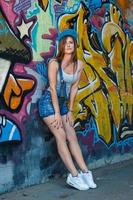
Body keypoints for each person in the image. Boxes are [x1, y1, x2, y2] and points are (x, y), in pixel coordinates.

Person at [38, 29, 97, 190]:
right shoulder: (53, 63)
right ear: (61, 46)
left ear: (74, 45)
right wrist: (57, 113)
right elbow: (51, 87)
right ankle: (74, 175)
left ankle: (85, 172)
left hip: (63, 104)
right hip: (49, 103)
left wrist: (70, 110)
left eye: (71, 42)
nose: (69, 45)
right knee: (61, 135)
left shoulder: (79, 65)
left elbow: (74, 88)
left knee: (72, 136)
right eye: (66, 43)